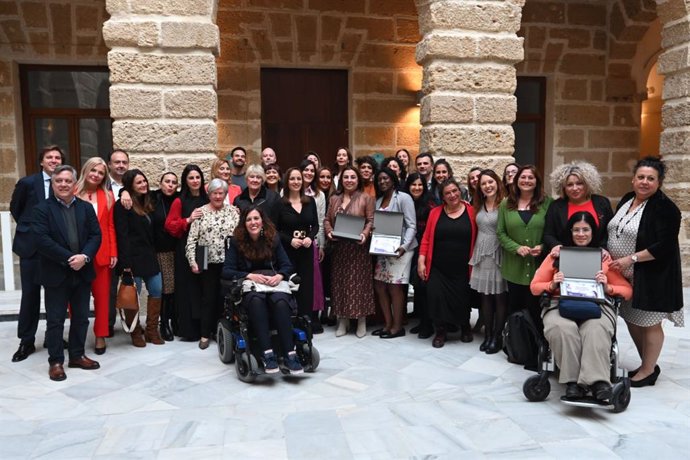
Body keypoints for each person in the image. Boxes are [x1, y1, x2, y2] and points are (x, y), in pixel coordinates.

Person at [531, 212, 632, 400]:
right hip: (559, 302)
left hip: (597, 304)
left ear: (593, 232)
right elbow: (535, 287)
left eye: (586, 229)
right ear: (570, 232)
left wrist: (607, 286)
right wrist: (552, 284)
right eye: (576, 230)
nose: (581, 234)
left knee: (596, 329)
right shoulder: (556, 255)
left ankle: (598, 381)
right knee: (562, 328)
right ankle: (573, 383)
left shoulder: (602, 258)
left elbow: (626, 291)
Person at [608, 157, 684, 387]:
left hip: (653, 275)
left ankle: (648, 371)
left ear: (659, 182)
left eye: (651, 178)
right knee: (632, 317)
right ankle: (646, 363)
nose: (644, 182)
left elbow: (664, 246)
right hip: (625, 275)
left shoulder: (666, 208)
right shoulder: (628, 199)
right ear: (633, 179)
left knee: (650, 322)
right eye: (640, 177)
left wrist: (630, 259)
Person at [32, 165, 102, 381]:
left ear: (74, 184)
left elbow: (95, 235)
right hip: (56, 273)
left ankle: (77, 355)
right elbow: (42, 240)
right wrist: (69, 258)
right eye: (58, 181)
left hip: (82, 272)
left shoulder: (85, 208)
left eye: (67, 181)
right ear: (53, 184)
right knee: (55, 320)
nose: (63, 184)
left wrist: (85, 257)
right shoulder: (41, 209)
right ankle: (55, 361)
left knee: (81, 318)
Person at [222, 207, 304, 375]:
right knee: (256, 301)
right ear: (244, 224)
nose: (253, 222)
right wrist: (249, 275)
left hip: (273, 283)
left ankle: (290, 354)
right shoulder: (237, 242)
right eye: (249, 219)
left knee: (281, 302)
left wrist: (280, 275)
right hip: (251, 285)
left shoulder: (273, 239)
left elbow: (287, 265)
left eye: (256, 218)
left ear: (262, 220)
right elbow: (227, 271)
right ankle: (267, 354)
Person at [10, 145, 64, 362]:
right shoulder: (27, 183)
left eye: (57, 157)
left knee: (55, 296)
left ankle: (54, 337)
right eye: (49, 157)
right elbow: (16, 208)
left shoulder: (65, 183)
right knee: (30, 295)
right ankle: (26, 340)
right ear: (41, 161)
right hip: (31, 248)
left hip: (55, 249)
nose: (53, 160)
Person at [418, 178, 477, 348]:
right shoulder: (435, 213)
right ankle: (441, 331)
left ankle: (465, 326)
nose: (452, 195)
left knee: (462, 298)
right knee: (436, 297)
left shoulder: (472, 211)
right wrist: (421, 260)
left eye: (454, 191)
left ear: (460, 191)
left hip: (463, 267)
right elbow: (426, 238)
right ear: (442, 197)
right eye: (447, 193)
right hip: (438, 266)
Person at [186, 179, 240, 349]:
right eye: (214, 193)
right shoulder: (200, 212)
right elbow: (192, 239)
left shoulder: (233, 212)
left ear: (225, 195)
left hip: (229, 259)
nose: (218, 196)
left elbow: (240, 236)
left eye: (221, 193)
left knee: (225, 298)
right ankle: (204, 334)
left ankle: (221, 332)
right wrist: (192, 260)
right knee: (207, 297)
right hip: (204, 257)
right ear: (209, 194)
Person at [114, 169, 165, 347]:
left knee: (157, 290)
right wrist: (125, 265)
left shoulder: (149, 201)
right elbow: (122, 235)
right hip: (132, 259)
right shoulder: (123, 205)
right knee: (132, 296)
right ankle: (135, 332)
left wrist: (124, 190)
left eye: (144, 181)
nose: (143, 184)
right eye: (138, 182)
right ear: (130, 186)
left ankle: (151, 330)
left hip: (150, 257)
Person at [324, 166, 375, 338]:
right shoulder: (334, 198)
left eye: (353, 177)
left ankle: (361, 321)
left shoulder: (366, 198)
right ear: (341, 179)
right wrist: (329, 231)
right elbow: (326, 219)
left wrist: (364, 234)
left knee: (359, 285)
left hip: (358, 249)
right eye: (346, 177)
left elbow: (370, 220)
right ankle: (343, 320)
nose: (349, 180)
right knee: (340, 285)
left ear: (358, 179)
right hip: (339, 249)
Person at [497, 165, 552, 325]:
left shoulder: (547, 203)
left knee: (537, 311)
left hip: (539, 268)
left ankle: (537, 346)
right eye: (523, 177)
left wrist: (543, 247)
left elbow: (554, 231)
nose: (526, 180)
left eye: (530, 177)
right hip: (514, 268)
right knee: (515, 309)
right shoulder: (506, 204)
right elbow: (500, 232)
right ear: (516, 180)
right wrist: (516, 247)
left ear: (537, 181)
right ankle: (516, 345)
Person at [75, 157, 118, 355]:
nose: (96, 175)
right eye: (93, 170)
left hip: (101, 254)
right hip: (75, 254)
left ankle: (100, 335)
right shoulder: (72, 191)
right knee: (75, 299)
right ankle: (78, 335)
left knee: (102, 298)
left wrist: (113, 252)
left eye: (101, 173)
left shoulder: (108, 195)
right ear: (86, 170)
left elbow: (109, 227)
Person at [165, 164, 209, 341]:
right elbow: (170, 225)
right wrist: (188, 219)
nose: (195, 181)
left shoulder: (208, 198)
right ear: (185, 181)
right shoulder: (179, 201)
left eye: (198, 177)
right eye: (191, 178)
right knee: (186, 288)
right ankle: (188, 330)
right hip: (185, 249)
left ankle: (205, 328)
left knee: (203, 286)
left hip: (204, 248)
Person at [372, 168, 417, 339]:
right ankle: (388, 323)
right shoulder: (378, 201)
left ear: (393, 179)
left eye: (386, 178)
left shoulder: (404, 198)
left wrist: (404, 246)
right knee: (380, 285)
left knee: (395, 286)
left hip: (401, 250)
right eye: (380, 179)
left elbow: (411, 225)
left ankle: (397, 327)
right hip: (383, 250)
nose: (382, 182)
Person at [274, 168, 320, 327]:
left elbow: (315, 225)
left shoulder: (310, 201)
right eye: (292, 179)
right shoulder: (280, 203)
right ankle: (288, 323)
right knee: (289, 286)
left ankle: (305, 323)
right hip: (287, 252)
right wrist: (289, 240)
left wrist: (310, 237)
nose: (296, 182)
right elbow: (274, 229)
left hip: (306, 251)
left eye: (298, 179)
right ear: (287, 182)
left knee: (306, 288)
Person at [469, 170, 508, 353]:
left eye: (490, 182)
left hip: (498, 254)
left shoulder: (506, 204)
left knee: (499, 297)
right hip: (481, 254)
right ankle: (488, 334)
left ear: (497, 183)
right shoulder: (478, 204)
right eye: (483, 183)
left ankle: (497, 337)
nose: (487, 186)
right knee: (485, 296)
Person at [544, 161, 613, 255]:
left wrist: (604, 248)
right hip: (565, 257)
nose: (575, 188)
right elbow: (548, 234)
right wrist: (556, 245)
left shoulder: (602, 203)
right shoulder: (556, 206)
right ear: (563, 187)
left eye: (579, 183)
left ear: (588, 184)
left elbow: (610, 231)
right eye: (569, 185)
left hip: (599, 257)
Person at [403, 173, 437, 338]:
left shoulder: (430, 205)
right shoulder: (404, 201)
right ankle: (419, 318)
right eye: (413, 185)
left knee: (423, 285)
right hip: (407, 247)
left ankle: (427, 324)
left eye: (420, 185)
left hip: (424, 248)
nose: (417, 188)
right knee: (415, 285)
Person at [152, 172, 179, 341]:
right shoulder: (152, 198)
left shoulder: (179, 199)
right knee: (166, 289)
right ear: (160, 183)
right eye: (167, 181)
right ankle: (164, 323)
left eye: (174, 182)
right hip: (161, 250)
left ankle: (175, 320)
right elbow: (132, 189)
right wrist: (123, 192)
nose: (170, 185)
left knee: (177, 289)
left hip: (179, 249)